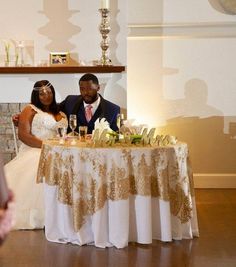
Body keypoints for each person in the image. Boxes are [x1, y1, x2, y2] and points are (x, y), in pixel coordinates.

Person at [4, 80, 68, 230]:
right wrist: (47, 146)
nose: (46, 95)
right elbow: (23, 135)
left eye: (49, 92)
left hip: (59, 150)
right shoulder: (30, 109)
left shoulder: (60, 112)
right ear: (36, 95)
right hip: (36, 149)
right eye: (42, 93)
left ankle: (63, 213)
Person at [13, 73, 121, 134]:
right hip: (72, 154)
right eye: (82, 89)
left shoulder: (113, 109)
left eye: (89, 89)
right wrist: (23, 118)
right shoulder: (70, 101)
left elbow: (116, 137)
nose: (85, 93)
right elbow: (49, 110)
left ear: (98, 88)